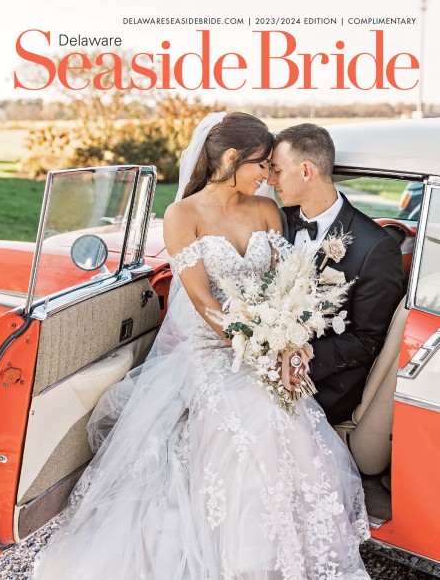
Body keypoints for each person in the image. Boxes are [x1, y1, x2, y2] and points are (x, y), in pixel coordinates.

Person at [33, 112, 370, 579]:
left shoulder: (266, 210)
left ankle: (297, 553)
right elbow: (203, 300)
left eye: (271, 167)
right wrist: (254, 346)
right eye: (262, 165)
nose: (268, 175)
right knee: (253, 419)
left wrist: (286, 342)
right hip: (207, 351)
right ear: (232, 158)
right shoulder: (182, 216)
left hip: (262, 347)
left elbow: (284, 286)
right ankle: (248, 558)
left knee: (290, 419)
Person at [268, 123, 404, 426]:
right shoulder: (275, 222)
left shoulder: (375, 247)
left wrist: (301, 358)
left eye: (277, 170)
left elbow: (370, 339)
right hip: (263, 367)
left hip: (323, 387)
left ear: (306, 171)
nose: (270, 180)